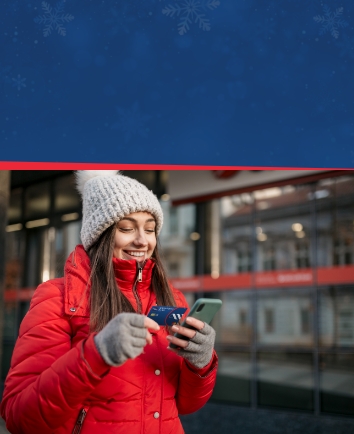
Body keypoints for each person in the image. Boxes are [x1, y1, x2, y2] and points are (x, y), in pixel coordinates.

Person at [0, 170, 218, 434]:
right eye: (126, 228)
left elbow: (185, 404)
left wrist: (201, 364)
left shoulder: (171, 297)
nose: (142, 240)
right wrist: (97, 352)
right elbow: (20, 417)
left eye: (150, 229)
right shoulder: (57, 297)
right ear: (100, 234)